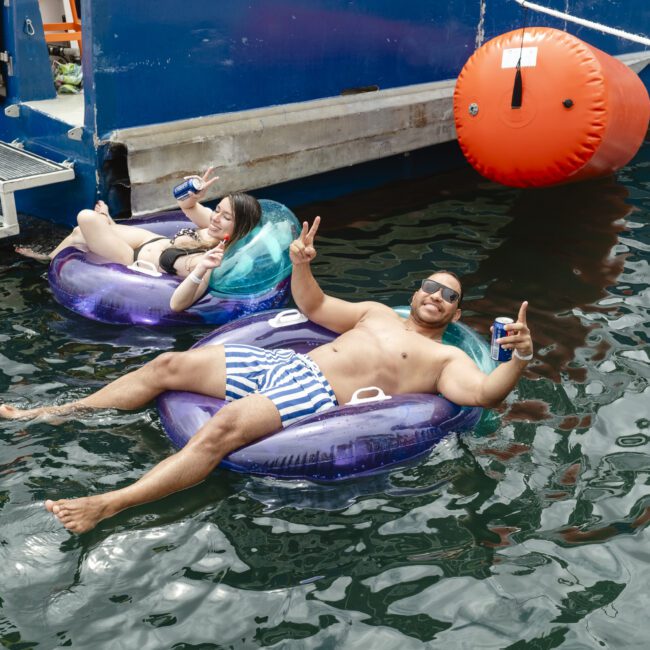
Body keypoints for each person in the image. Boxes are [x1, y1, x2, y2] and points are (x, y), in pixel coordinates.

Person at [0, 217, 533, 533]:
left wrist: (519, 359)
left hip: (315, 391)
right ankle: (51, 411)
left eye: (449, 295)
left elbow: (483, 394)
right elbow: (316, 305)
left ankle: (108, 504)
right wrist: (302, 262)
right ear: (415, 292)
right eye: (430, 287)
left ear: (457, 314)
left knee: (221, 430)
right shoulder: (375, 310)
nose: (436, 297)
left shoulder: (447, 359)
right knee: (167, 365)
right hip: (284, 364)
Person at [15, 168, 262, 311]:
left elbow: (179, 303)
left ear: (239, 226)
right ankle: (49, 258)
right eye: (217, 209)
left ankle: (99, 229)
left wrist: (200, 270)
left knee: (86, 220)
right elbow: (186, 205)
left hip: (131, 258)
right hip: (150, 240)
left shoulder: (213, 258)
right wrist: (194, 191)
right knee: (81, 232)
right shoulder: (211, 224)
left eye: (225, 216)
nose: (216, 217)